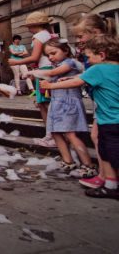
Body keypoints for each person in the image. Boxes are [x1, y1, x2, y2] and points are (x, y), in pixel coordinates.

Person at [41, 35, 119, 199]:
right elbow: (80, 79)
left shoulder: (99, 69)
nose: (88, 60)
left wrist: (51, 85)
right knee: (107, 153)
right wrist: (71, 77)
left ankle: (112, 185)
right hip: (112, 121)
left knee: (110, 154)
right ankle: (111, 184)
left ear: (102, 55)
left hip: (110, 121)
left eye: (89, 57)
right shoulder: (114, 68)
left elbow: (76, 83)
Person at [34, 39, 96, 175]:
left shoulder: (71, 63)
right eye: (48, 55)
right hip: (57, 103)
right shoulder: (58, 65)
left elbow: (52, 74)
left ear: (66, 50)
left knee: (70, 133)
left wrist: (31, 73)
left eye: (53, 53)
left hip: (68, 103)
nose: (50, 57)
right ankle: (68, 161)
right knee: (55, 132)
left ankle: (88, 165)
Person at [72, 14, 116, 189]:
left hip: (107, 104)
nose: (79, 41)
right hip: (102, 101)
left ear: (95, 32)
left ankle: (106, 176)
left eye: (81, 36)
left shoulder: (101, 56)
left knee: (99, 136)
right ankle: (106, 176)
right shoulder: (99, 52)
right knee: (97, 136)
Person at [8, 11, 54, 147]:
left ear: (35, 25)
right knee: (45, 103)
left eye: (29, 26)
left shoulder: (38, 37)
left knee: (44, 104)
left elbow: (35, 57)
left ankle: (50, 135)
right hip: (49, 70)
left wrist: (15, 62)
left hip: (44, 71)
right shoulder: (49, 34)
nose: (28, 29)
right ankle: (52, 134)